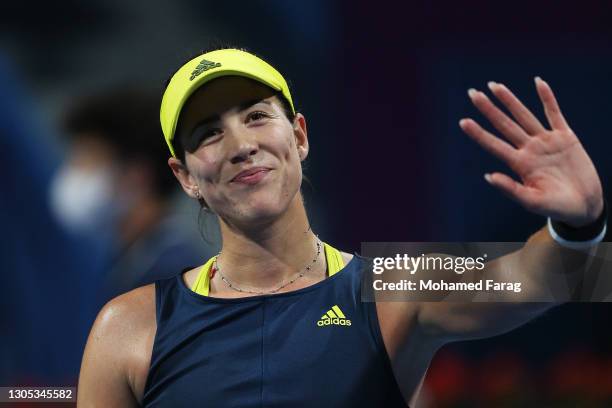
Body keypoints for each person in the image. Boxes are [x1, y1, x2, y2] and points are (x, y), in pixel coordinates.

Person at [77, 48, 607, 407]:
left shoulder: (395, 289)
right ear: (186, 176)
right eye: (209, 133)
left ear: (299, 136)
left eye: (257, 116)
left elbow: (543, 278)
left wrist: (579, 224)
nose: (241, 145)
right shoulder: (126, 329)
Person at [50, 87, 213, 301]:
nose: (73, 173)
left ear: (137, 176)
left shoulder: (174, 278)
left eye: (88, 159)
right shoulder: (128, 263)